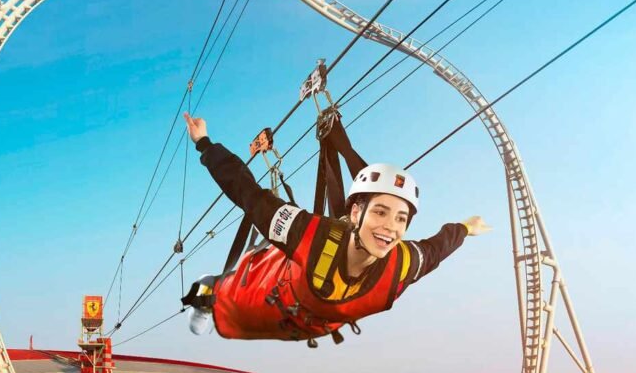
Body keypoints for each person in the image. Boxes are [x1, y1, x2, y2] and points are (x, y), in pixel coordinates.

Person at [182, 112, 491, 345]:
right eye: (381, 212)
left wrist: (465, 227)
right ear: (355, 213)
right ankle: (208, 290)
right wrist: (205, 145)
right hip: (262, 297)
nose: (389, 228)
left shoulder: (403, 264)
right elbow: (247, 194)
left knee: (244, 317)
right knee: (227, 300)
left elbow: (438, 248)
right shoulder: (307, 233)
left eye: (400, 219)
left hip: (303, 324)